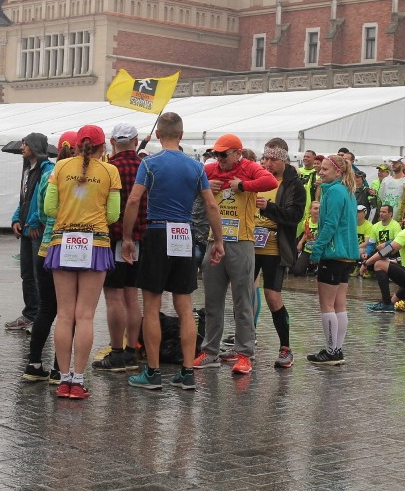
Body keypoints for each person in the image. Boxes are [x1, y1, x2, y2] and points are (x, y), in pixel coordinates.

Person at [124, 112, 224, 390]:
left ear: (158, 135)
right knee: (185, 307)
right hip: (184, 231)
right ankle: (187, 372)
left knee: (152, 307)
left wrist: (128, 237)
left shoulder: (150, 163)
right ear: (181, 135)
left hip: (156, 232)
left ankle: (153, 373)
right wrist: (219, 240)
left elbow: (133, 200)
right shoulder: (195, 167)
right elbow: (211, 205)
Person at [44, 125, 121, 399]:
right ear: (103, 147)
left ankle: (62, 379)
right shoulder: (110, 171)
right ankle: (78, 380)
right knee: (85, 315)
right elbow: (113, 214)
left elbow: (49, 209)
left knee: (64, 315)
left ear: (75, 145)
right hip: (96, 243)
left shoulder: (61, 167)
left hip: (63, 240)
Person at [194, 133, 277, 374]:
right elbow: (192, 182)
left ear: (237, 154)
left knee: (242, 301)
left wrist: (242, 186)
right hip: (214, 241)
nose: (218, 159)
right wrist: (208, 185)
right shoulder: (209, 170)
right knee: (211, 301)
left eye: (224, 154)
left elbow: (270, 181)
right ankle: (209, 351)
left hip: (241, 242)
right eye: (216, 154)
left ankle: (244, 354)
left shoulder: (249, 167)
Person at [22, 131, 79, 384]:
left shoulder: (50, 175)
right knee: (71, 313)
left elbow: (44, 212)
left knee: (47, 309)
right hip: (74, 251)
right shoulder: (85, 177)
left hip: (46, 248)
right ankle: (60, 369)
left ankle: (34, 364)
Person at [93, 123, 147, 373]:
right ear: (136, 142)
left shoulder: (108, 168)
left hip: (114, 237)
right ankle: (131, 351)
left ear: (113, 142)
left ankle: (116, 352)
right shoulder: (146, 166)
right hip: (140, 238)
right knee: (131, 296)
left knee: (113, 296)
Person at [252, 138, 306, 368]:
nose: (268, 163)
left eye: (273, 159)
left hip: (275, 245)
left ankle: (286, 347)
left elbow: (294, 216)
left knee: (272, 297)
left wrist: (268, 207)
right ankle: (243, 343)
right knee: (243, 294)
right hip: (250, 243)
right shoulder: (257, 177)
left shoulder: (294, 184)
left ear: (283, 159)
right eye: (265, 158)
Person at [306, 154, 360, 364]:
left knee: (327, 305)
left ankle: (331, 351)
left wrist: (317, 251)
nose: (320, 172)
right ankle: (336, 349)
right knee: (339, 304)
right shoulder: (347, 190)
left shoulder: (335, 191)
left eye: (325, 169)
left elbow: (330, 224)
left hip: (334, 253)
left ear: (338, 171)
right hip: (347, 255)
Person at [6, 133, 53, 331]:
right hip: (26, 229)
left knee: (38, 274)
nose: (22, 147)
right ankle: (30, 313)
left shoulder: (47, 169)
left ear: (35, 147)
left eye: (26, 144)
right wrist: (16, 218)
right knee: (26, 274)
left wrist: (34, 221)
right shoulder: (27, 170)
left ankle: (41, 316)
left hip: (37, 229)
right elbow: (24, 199)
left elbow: (44, 200)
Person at [379, 156, 405, 220]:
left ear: (402, 165)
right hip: (385, 218)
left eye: (395, 163)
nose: (393, 165)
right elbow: (381, 197)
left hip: (399, 218)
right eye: (392, 163)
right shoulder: (385, 180)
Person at [294, 201, 320, 277]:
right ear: (310, 210)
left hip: (320, 252)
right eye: (315, 208)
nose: (318, 211)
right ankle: (309, 266)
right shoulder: (306, 222)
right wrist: (300, 242)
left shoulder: (324, 222)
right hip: (308, 250)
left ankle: (314, 267)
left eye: (320, 209)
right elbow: (305, 234)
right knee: (297, 272)